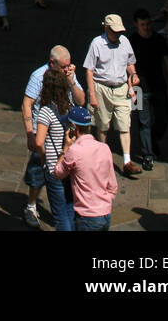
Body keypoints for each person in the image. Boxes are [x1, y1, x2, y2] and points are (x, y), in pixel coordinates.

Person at [21, 44, 85, 228]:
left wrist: (72, 80)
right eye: (64, 66)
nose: (67, 69)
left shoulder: (68, 75)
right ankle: (32, 205)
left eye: (69, 65)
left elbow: (81, 101)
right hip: (42, 132)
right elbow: (27, 104)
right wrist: (30, 134)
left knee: (63, 186)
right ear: (52, 62)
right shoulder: (38, 76)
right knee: (37, 172)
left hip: (64, 137)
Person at [84, 14, 141, 177]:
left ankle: (127, 162)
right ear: (106, 28)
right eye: (114, 31)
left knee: (125, 124)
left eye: (119, 31)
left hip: (122, 88)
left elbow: (130, 63)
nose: (117, 34)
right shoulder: (97, 43)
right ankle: (102, 159)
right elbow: (89, 70)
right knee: (102, 125)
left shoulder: (125, 42)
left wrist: (134, 74)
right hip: (102, 88)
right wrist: (93, 95)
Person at [53, 106, 118, 231]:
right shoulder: (104, 148)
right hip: (105, 213)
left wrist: (65, 148)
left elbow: (58, 173)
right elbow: (112, 185)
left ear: (73, 127)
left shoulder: (74, 151)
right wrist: (105, 203)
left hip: (87, 216)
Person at [131, 7, 168, 168]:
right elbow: (127, 65)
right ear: (136, 24)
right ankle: (147, 154)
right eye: (143, 24)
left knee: (164, 118)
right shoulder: (132, 41)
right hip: (138, 89)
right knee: (143, 122)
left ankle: (153, 139)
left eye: (148, 23)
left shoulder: (158, 39)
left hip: (158, 86)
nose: (147, 27)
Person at [35, 67, 75, 231]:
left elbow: (38, 143)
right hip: (69, 165)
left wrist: (44, 158)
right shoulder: (70, 107)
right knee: (70, 208)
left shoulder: (46, 111)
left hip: (54, 167)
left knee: (59, 215)